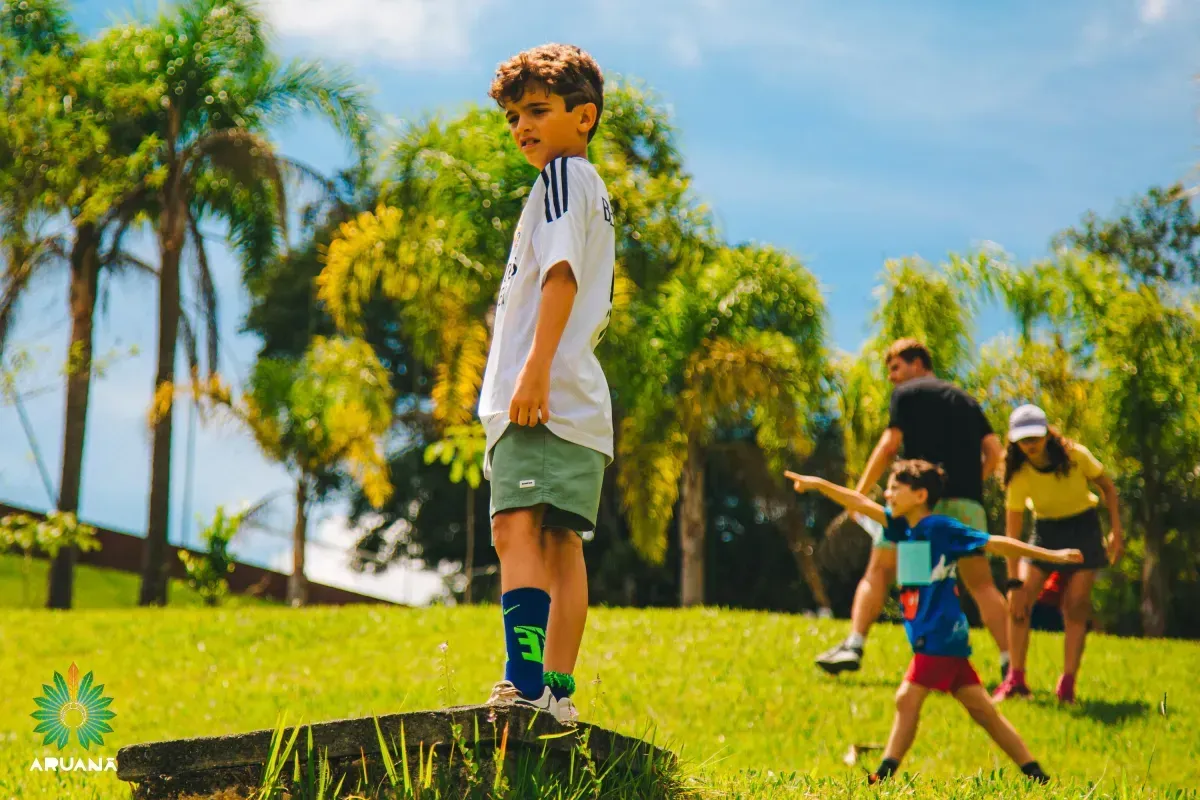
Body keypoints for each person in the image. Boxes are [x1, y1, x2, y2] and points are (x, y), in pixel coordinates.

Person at [476, 44, 616, 725]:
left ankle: (524, 685)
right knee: (560, 542)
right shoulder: (588, 188)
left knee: (515, 528)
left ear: (583, 117)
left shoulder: (561, 178)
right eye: (512, 117)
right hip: (577, 401)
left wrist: (531, 371)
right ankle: (555, 694)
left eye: (537, 110)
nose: (522, 127)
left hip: (544, 397)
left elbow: (560, 276)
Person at [787, 461, 1082, 785]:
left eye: (895, 488)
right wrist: (817, 483)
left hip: (939, 637)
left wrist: (1053, 556)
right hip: (944, 639)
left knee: (906, 699)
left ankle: (882, 777)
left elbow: (995, 543)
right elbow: (858, 502)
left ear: (920, 495)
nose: (887, 494)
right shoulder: (900, 528)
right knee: (984, 712)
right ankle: (1036, 774)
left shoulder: (941, 529)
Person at [817, 338, 1011, 679]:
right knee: (981, 584)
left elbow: (889, 445)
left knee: (886, 572)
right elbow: (995, 452)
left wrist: (858, 495)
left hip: (916, 510)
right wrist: (967, 486)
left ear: (918, 363)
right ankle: (1011, 662)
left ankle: (854, 645)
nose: (891, 377)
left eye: (896, 368)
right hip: (967, 505)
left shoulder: (907, 394)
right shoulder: (967, 400)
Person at [993, 405, 1123, 705]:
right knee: (1020, 602)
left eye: (1035, 436)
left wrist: (1117, 531)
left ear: (1047, 434)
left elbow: (1107, 487)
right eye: (1023, 439)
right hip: (1045, 532)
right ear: (1014, 441)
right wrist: (1013, 584)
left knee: (1076, 605)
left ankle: (1067, 685)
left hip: (1083, 529)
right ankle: (1016, 680)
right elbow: (1012, 534)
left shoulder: (1076, 455)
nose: (1030, 444)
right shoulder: (1018, 474)